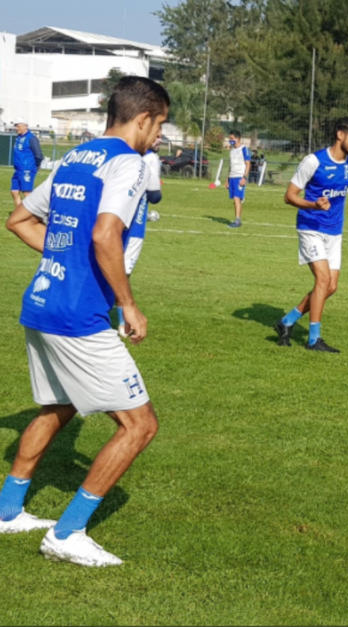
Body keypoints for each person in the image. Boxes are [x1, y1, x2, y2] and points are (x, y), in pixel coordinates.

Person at [0, 75, 168, 566]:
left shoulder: (77, 156)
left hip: (42, 300)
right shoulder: (129, 162)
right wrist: (128, 304)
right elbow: (105, 233)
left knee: (59, 407)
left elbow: (20, 220)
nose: (159, 137)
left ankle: (8, 511)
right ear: (142, 119)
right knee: (140, 426)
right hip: (78, 315)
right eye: (159, 126)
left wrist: (62, 255)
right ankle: (68, 533)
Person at [273, 118, 348, 353]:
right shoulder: (314, 161)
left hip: (335, 231)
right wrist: (312, 205)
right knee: (322, 280)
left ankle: (287, 321)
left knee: (331, 287)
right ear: (340, 135)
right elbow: (289, 196)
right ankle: (314, 339)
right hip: (310, 227)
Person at [116, 136, 163, 337]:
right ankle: (122, 323)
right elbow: (155, 196)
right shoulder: (151, 159)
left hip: (114, 221)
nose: (159, 139)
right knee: (123, 272)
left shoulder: (122, 155)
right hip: (134, 226)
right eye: (157, 136)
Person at [10, 122, 44, 205]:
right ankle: (20, 214)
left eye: (18, 126)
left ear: (25, 126)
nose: (16, 128)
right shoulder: (18, 138)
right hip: (18, 169)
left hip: (27, 169)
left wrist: (36, 165)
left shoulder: (31, 138)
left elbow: (39, 155)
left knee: (27, 192)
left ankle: (36, 214)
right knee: (14, 191)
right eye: (16, 126)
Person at [225, 130, 251, 228]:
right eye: (229, 139)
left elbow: (248, 164)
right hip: (232, 177)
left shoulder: (244, 149)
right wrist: (227, 179)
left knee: (236, 199)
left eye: (232, 138)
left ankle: (237, 221)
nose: (230, 140)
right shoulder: (231, 151)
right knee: (235, 200)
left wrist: (244, 177)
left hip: (239, 177)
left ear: (238, 138)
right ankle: (237, 218)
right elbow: (230, 166)